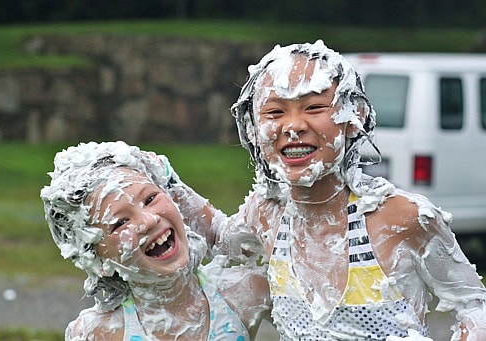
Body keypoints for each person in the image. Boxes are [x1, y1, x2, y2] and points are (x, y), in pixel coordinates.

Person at [178, 40, 486, 340]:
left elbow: (475, 305)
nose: (293, 126)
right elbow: (220, 236)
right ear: (253, 129)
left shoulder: (401, 218)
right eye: (274, 113)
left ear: (355, 118)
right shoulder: (267, 213)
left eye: (313, 107)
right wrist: (161, 174)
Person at [40, 141, 270, 341]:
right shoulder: (98, 333)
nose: (148, 221)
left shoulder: (243, 292)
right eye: (120, 223)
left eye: (150, 198)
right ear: (96, 260)